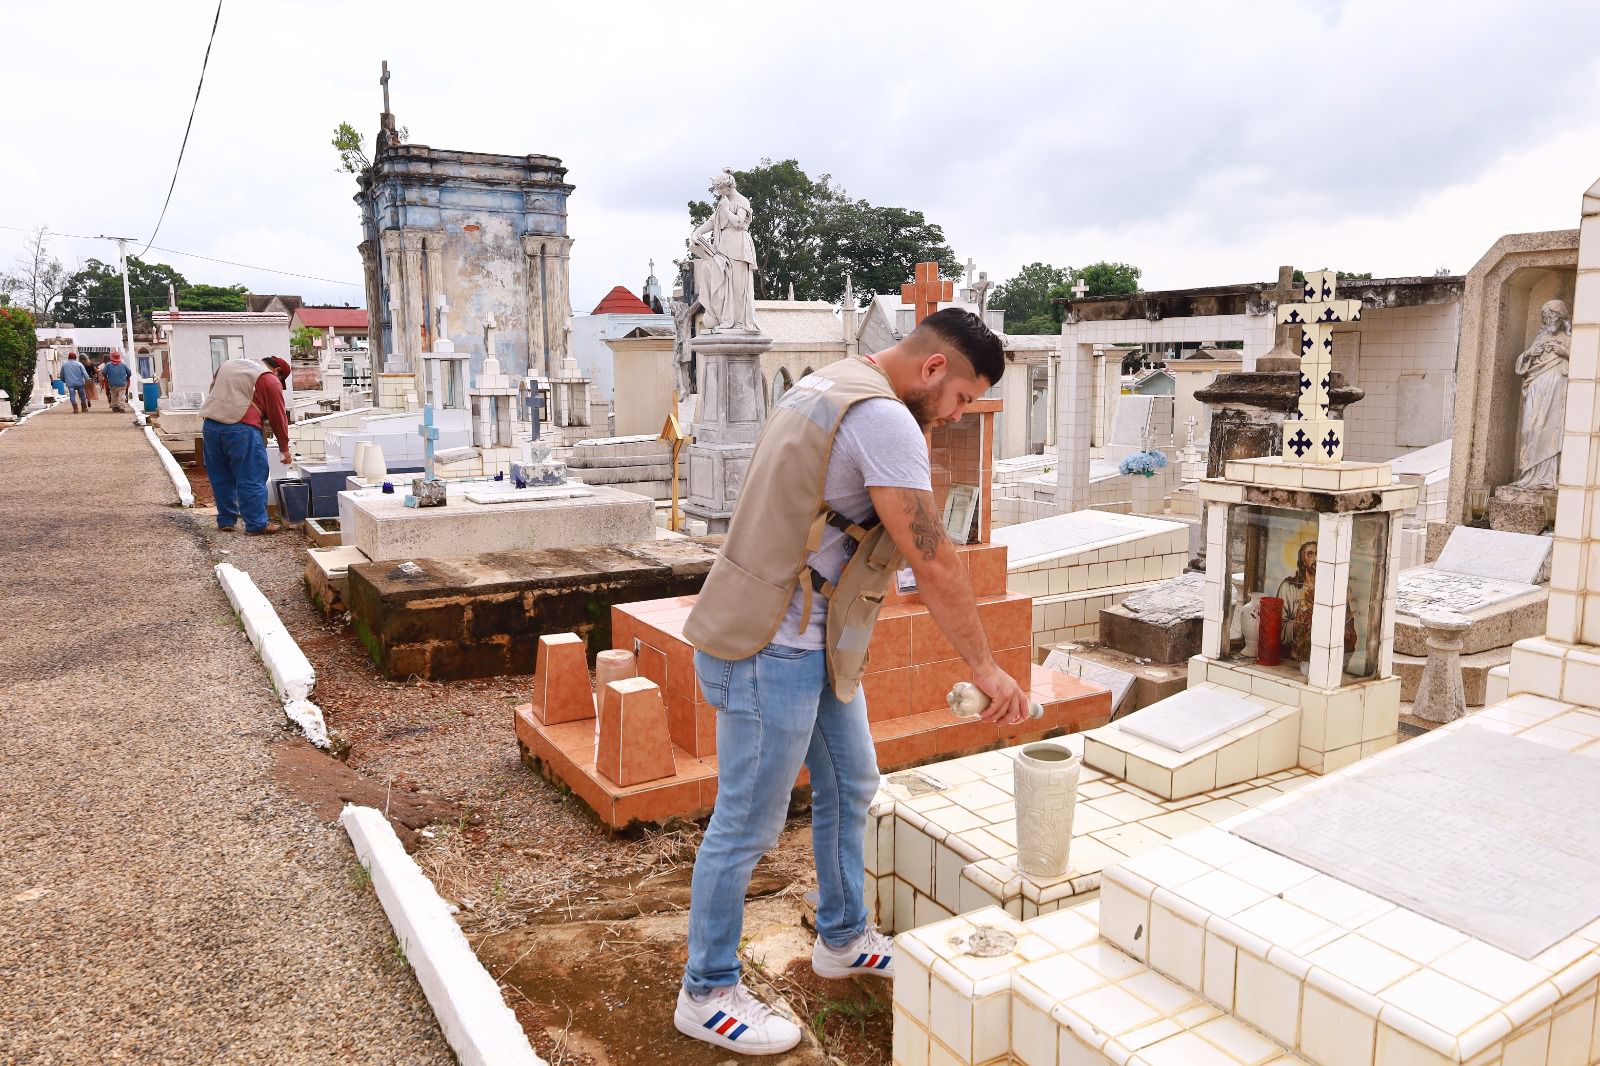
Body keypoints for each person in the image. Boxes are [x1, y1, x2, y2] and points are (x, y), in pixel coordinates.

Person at [672, 308, 1027, 1055]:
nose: (959, 414)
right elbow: (931, 559)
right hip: (776, 646)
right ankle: (705, 992)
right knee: (746, 823)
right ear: (934, 369)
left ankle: (841, 937)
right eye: (962, 397)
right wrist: (987, 667)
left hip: (810, 641)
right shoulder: (885, 420)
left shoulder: (830, 384)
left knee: (853, 784)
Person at [199, 355, 293, 535]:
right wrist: (284, 449)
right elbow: (278, 418)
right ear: (278, 372)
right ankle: (257, 524)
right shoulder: (269, 379)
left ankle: (226, 520)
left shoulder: (229, 365)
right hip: (241, 429)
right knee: (251, 476)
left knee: (221, 476)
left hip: (211, 426)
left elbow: (214, 390)